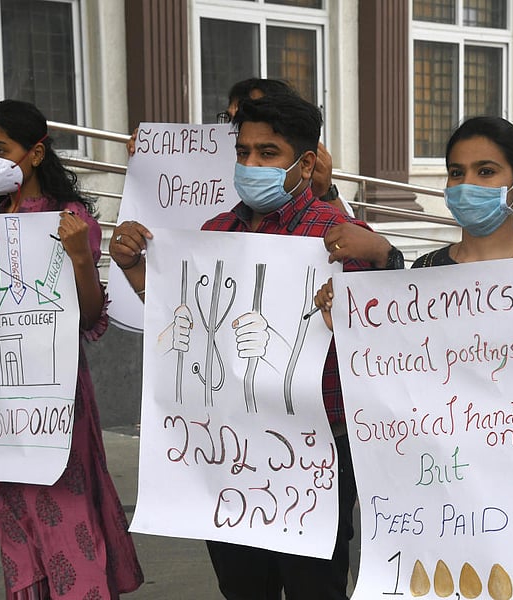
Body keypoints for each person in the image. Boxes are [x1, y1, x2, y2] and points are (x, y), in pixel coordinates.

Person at [109, 94, 402, 600]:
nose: (251, 165)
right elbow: (179, 322)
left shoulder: (342, 237)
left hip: (316, 450)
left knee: (315, 586)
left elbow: (391, 336)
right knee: (242, 584)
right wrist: (135, 268)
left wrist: (385, 259)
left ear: (304, 164)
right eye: (243, 152)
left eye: (268, 153)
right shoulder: (215, 232)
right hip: (227, 448)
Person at [0, 100, 144, 598]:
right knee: (14, 510)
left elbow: (88, 317)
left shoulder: (70, 220)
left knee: (63, 503)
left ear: (36, 152)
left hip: (53, 393)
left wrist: (80, 257)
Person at [315, 116, 513, 394]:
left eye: (485, 171)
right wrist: (348, 322)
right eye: (456, 173)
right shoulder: (427, 270)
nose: (467, 185)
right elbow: (399, 368)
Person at [126, 77, 352, 216]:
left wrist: (325, 191)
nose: (250, 163)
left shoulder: (306, 164)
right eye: (231, 116)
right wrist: (148, 154)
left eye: (267, 153)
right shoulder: (221, 225)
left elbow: (346, 239)